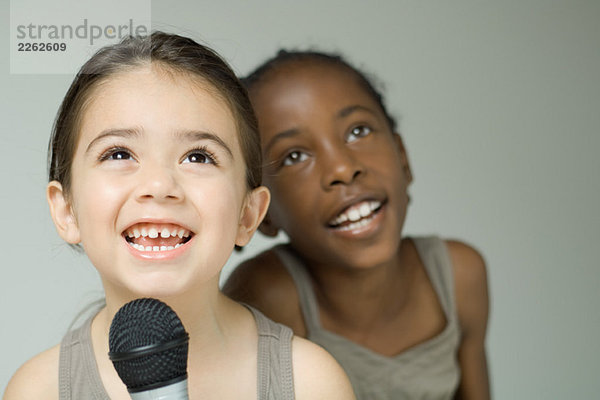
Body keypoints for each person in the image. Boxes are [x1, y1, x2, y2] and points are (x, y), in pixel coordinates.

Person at [4, 34, 356, 400]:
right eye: (119, 154)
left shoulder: (309, 384)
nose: (158, 185)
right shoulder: (38, 390)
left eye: (198, 157)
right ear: (66, 211)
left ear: (247, 216)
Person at [223, 50, 491, 400]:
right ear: (262, 212)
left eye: (358, 131)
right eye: (294, 156)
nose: (342, 169)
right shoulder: (268, 295)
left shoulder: (458, 275)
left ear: (403, 157)